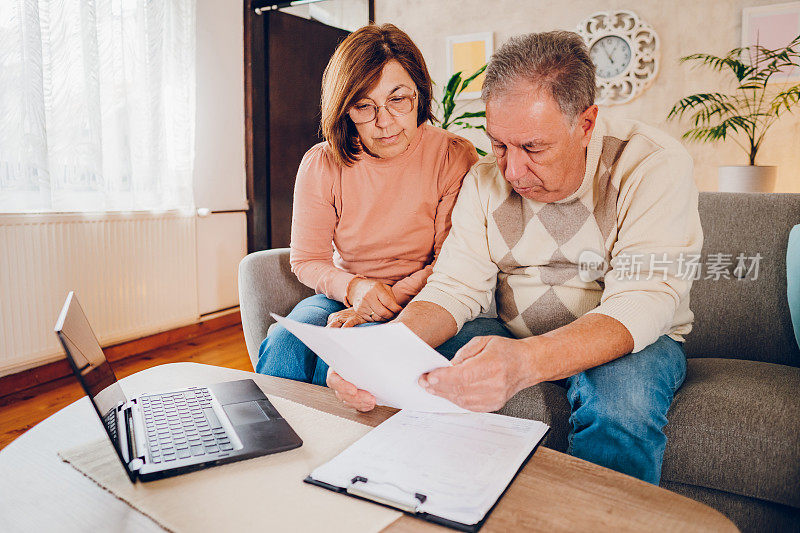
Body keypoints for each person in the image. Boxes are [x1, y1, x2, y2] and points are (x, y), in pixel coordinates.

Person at [327, 31, 703, 485]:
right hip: (509, 329)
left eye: (533, 148)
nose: (511, 171)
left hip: (630, 338)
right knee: (410, 367)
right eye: (500, 145)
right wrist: (378, 357)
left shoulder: (650, 163)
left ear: (585, 124)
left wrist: (527, 361)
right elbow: (454, 288)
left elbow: (644, 300)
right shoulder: (486, 178)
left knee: (622, 406)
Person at [256, 24, 478, 386]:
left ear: (419, 96)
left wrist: (383, 301)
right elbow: (307, 259)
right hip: (345, 295)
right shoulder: (321, 163)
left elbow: (449, 262)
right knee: (284, 345)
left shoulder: (453, 155)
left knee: (355, 354)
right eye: (364, 105)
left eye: (398, 99)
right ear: (344, 110)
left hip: (430, 298)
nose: (384, 121)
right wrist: (357, 290)